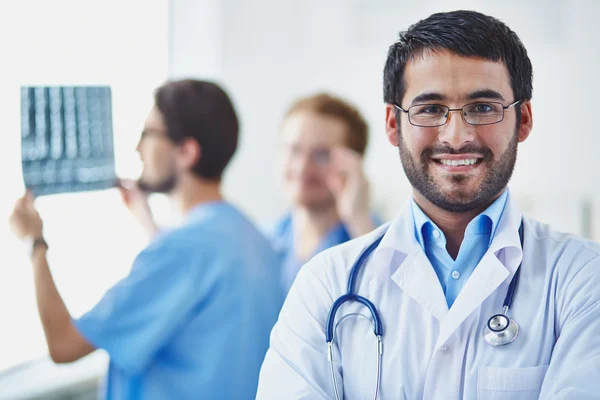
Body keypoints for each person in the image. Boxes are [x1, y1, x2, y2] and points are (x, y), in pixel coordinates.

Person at [256, 10, 600, 399]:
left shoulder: (583, 279)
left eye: (484, 107)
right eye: (430, 109)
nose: (456, 136)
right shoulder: (325, 283)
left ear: (523, 119)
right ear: (392, 124)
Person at [9, 79, 284, 400]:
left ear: (186, 152)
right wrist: (145, 220)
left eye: (148, 134)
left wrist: (35, 243)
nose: (138, 148)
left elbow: (64, 344)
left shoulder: (183, 249)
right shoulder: (250, 236)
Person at [271, 93, 380, 293]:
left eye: (322, 155)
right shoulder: (266, 242)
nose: (303, 166)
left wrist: (357, 217)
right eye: (294, 150)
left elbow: (392, 299)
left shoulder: (374, 239)